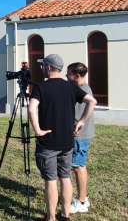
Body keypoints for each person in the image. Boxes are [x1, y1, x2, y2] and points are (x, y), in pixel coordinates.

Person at [28, 54, 97, 221]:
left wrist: (37, 130)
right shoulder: (71, 87)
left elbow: (31, 109)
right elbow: (92, 101)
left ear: (49, 67)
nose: (42, 68)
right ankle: (65, 215)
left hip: (48, 143)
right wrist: (81, 122)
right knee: (65, 177)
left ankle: (51, 218)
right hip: (67, 142)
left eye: (43, 65)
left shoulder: (40, 87)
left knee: (50, 180)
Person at [66, 62, 95, 214]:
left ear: (76, 76)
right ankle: (83, 198)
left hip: (79, 136)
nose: (66, 76)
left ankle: (82, 201)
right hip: (80, 135)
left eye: (68, 74)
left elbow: (89, 106)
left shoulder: (82, 90)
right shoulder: (83, 88)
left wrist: (81, 121)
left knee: (78, 167)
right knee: (78, 165)